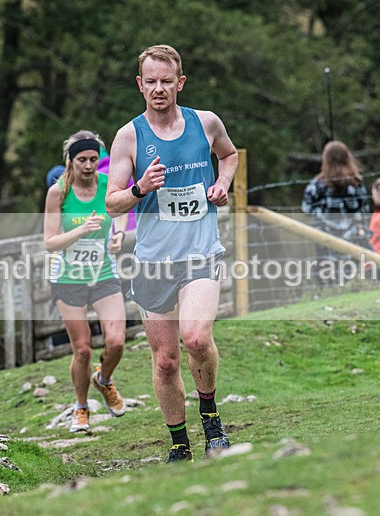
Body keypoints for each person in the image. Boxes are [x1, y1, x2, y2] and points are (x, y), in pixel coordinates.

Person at [106, 44, 238, 463]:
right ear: (140, 85)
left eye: (166, 81)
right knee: (165, 361)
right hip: (153, 261)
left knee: (196, 337)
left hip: (200, 253)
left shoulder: (206, 123)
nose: (159, 89)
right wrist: (140, 188)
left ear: (180, 83)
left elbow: (229, 155)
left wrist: (223, 183)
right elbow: (112, 203)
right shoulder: (129, 136)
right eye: (151, 81)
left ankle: (211, 420)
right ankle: (180, 443)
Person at [44, 130, 129, 433]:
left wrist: (118, 234)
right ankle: (81, 407)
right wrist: (81, 230)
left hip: (103, 273)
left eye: (94, 159)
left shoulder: (108, 186)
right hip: (68, 277)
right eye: (82, 159)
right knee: (82, 350)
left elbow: (120, 211)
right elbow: (50, 242)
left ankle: (103, 379)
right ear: (70, 161)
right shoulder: (57, 192)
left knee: (116, 342)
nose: (89, 165)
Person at [301, 140, 370, 280]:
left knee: (327, 278)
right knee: (352, 278)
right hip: (353, 240)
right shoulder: (356, 183)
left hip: (325, 240)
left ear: (325, 160)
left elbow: (306, 209)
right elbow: (364, 210)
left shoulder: (317, 185)